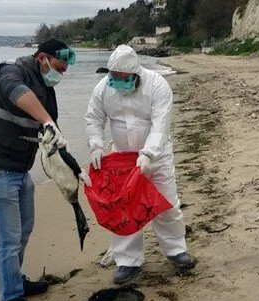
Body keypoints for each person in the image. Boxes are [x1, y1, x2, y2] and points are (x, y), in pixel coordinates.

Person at [0, 38, 78, 301]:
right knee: (9, 237)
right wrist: (47, 121)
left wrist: (73, 168)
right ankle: (10, 300)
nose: (60, 74)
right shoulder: (8, 71)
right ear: (42, 58)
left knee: (24, 230)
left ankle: (15, 280)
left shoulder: (47, 88)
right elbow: (19, 96)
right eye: (57, 67)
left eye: (64, 70)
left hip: (19, 170)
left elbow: (53, 133)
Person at [84, 45, 196, 284]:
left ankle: (176, 250)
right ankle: (128, 261)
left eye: (122, 78)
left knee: (166, 204)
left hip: (157, 157)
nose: (116, 82)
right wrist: (96, 145)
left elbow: (160, 124)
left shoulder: (157, 86)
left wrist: (148, 154)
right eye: (113, 77)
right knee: (124, 208)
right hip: (122, 159)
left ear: (136, 74)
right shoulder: (104, 87)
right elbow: (94, 118)